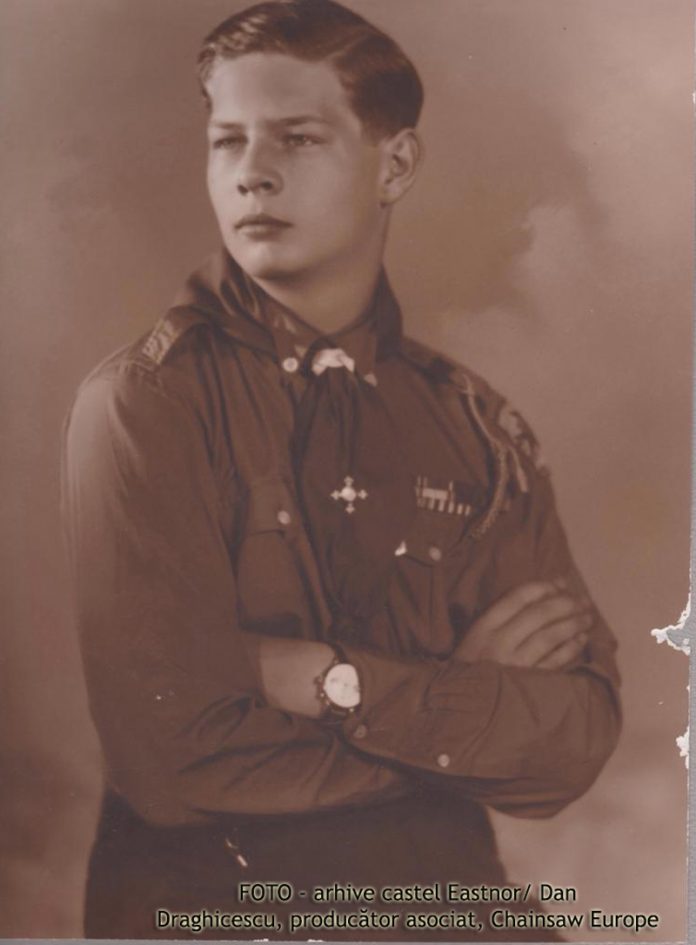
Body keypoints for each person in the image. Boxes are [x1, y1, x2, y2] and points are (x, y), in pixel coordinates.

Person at [61, 0, 621, 940]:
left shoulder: (469, 423)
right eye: (227, 141)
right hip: (223, 908)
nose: (252, 172)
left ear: (394, 165)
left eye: (297, 137)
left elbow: (576, 735)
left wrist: (325, 679)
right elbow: (171, 758)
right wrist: (454, 706)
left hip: (442, 907)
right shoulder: (146, 402)